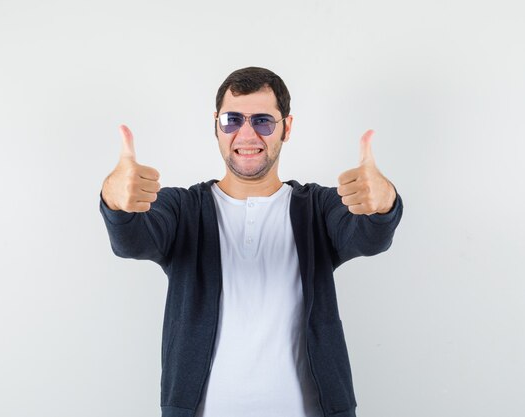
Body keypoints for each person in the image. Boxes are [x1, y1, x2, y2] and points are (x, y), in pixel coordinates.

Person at [99, 67, 403, 417]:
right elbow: (131, 241)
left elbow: (368, 236)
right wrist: (115, 200)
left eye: (262, 121)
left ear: (287, 128)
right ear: (216, 125)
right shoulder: (183, 210)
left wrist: (384, 203)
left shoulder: (317, 209)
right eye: (232, 120)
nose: (246, 134)